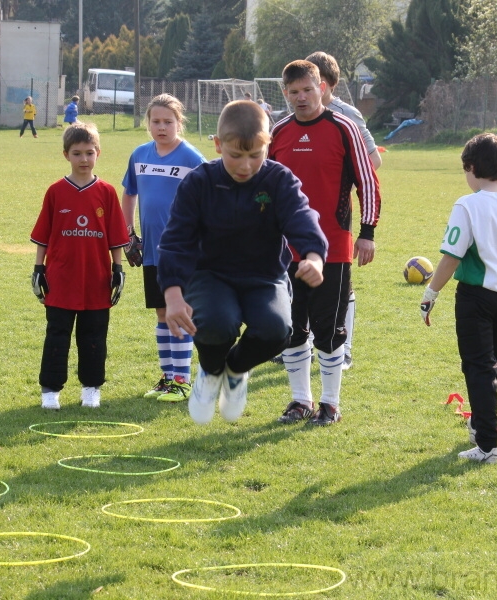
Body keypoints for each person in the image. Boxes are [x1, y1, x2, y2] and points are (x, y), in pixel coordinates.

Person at [159, 100, 328, 425]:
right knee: (216, 323)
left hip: (264, 276)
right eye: (236, 155)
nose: (246, 165)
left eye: (255, 155)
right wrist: (172, 294)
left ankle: (235, 371)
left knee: (278, 329)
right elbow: (176, 239)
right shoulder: (199, 182)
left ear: (268, 145)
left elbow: (302, 216)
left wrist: (314, 257)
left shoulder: (279, 180)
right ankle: (209, 374)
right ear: (219, 144)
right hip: (211, 275)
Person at [269, 60, 381, 426]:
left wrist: (367, 233)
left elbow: (368, 182)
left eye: (308, 89)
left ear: (322, 88)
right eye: (294, 92)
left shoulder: (343, 128)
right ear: (285, 93)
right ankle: (300, 400)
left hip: (333, 246)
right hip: (286, 251)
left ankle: (330, 404)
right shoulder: (279, 132)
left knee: (328, 328)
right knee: (291, 327)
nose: (301, 98)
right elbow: (262, 188)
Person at [420, 133, 497, 464]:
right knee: (490, 367)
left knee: (478, 368)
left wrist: (430, 294)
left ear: (471, 167)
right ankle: (481, 426)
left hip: (476, 298)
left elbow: (450, 258)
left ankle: (488, 446)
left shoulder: (467, 204)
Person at [30, 121, 130, 410]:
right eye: (77, 153)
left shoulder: (107, 192)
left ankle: (91, 388)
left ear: (98, 153)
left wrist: (117, 269)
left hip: (96, 279)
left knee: (94, 336)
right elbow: (43, 236)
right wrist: (39, 269)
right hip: (61, 278)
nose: (84, 159)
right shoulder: (55, 192)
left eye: (89, 152)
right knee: (57, 334)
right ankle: (50, 391)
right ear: (66, 155)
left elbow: (115, 238)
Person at [121, 94, 206, 403]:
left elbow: (207, 202)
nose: (161, 127)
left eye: (168, 122)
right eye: (155, 121)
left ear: (179, 123)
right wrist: (127, 233)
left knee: (179, 313)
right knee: (160, 312)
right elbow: (129, 193)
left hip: (183, 252)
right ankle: (167, 378)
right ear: (148, 123)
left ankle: (182, 381)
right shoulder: (140, 155)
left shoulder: (192, 158)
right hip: (152, 251)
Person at [307, 51, 382, 371]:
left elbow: (372, 161)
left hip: (335, 212)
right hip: (298, 212)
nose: (304, 91)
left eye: (312, 84)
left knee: (339, 283)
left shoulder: (347, 115)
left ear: (324, 85)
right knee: (299, 276)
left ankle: (344, 346)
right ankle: (300, 342)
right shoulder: (293, 111)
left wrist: (338, 181)